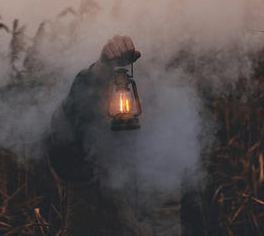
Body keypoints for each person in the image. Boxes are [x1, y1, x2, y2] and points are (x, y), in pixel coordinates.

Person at [46, 35, 182, 235]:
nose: (124, 107)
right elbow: (63, 134)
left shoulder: (168, 158)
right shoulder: (85, 158)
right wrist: (99, 71)